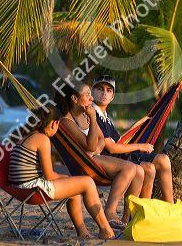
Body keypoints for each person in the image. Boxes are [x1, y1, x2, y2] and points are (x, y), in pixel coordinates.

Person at [8, 105, 115, 240]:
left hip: (19, 188)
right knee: (87, 182)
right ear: (54, 123)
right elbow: (50, 175)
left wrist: (67, 179)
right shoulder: (42, 139)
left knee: (75, 192)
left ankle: (83, 233)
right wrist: (65, 177)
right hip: (32, 189)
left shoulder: (27, 136)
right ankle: (106, 230)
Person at [54, 82, 146, 230]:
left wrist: (94, 147)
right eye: (87, 95)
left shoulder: (85, 115)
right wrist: (94, 126)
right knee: (129, 168)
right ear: (74, 99)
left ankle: (128, 218)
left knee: (139, 171)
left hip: (93, 158)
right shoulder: (67, 121)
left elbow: (101, 140)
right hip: (85, 165)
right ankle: (109, 211)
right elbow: (90, 145)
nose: (91, 98)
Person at [92, 75, 174, 204]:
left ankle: (168, 207)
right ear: (92, 92)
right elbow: (112, 148)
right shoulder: (94, 114)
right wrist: (140, 146)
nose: (104, 93)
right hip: (111, 161)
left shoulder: (104, 117)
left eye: (109, 90)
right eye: (100, 89)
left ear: (112, 96)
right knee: (153, 166)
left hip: (119, 157)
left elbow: (119, 141)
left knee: (161, 161)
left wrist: (138, 124)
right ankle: (138, 215)